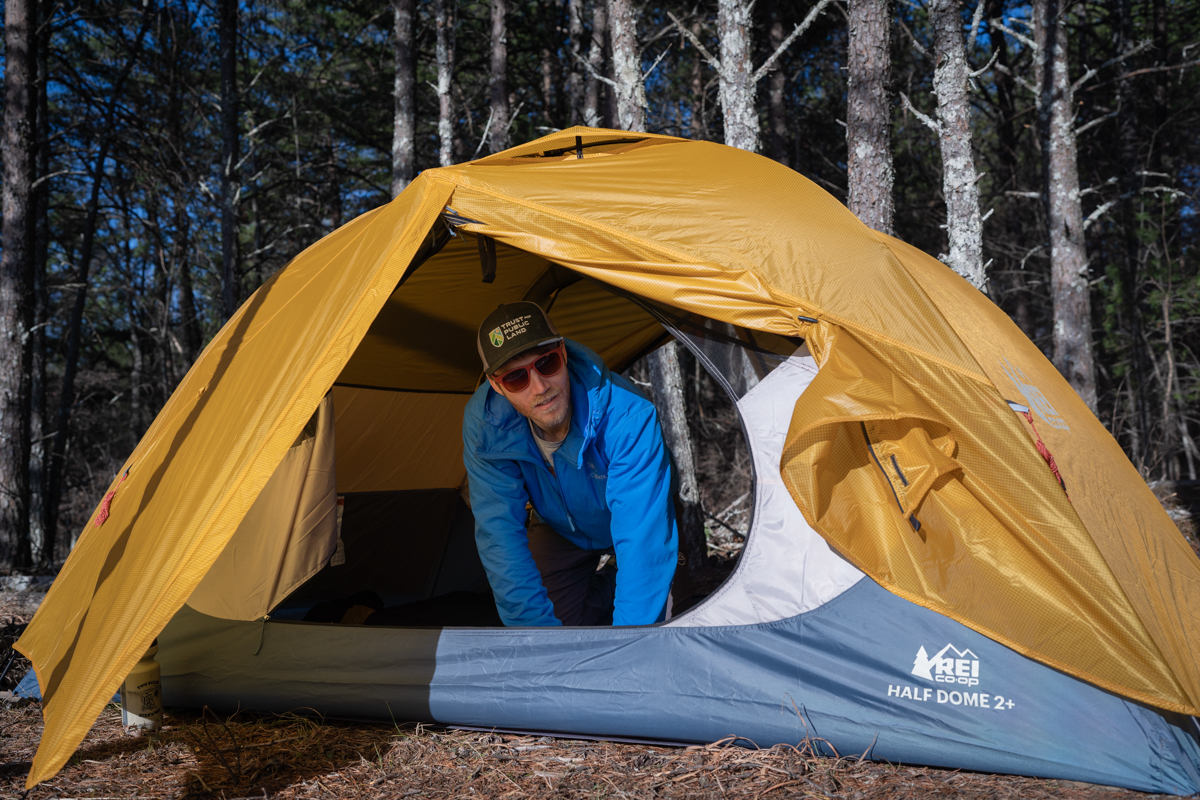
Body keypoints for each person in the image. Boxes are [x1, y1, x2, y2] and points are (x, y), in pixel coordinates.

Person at [462, 301, 678, 627]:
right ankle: (610, 582)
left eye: (547, 363)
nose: (539, 387)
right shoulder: (485, 426)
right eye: (516, 378)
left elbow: (642, 541)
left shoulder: (628, 415)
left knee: (668, 616)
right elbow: (499, 534)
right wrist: (538, 644)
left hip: (641, 516)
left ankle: (637, 577)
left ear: (563, 353)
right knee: (561, 630)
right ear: (496, 385)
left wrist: (631, 645)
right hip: (559, 529)